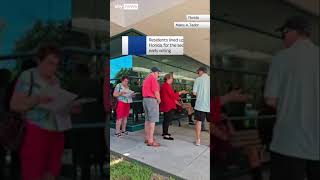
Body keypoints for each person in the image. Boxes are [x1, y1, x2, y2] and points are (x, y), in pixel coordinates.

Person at [10, 43, 81, 180]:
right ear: (39, 61)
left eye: (56, 64)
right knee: (33, 173)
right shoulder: (28, 76)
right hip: (36, 130)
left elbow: (56, 105)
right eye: (49, 63)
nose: (53, 68)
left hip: (57, 131)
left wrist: (69, 108)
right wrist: (37, 100)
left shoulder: (56, 80)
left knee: (51, 173)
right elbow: (14, 105)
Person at [264, 16, 319, 180]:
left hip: (288, 143)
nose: (283, 39)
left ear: (291, 32)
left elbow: (270, 100)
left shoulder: (281, 58)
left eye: (283, 34)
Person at [160, 73, 188, 140]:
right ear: (168, 78)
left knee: (166, 120)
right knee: (167, 120)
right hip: (168, 106)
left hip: (167, 105)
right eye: (172, 78)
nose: (173, 79)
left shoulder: (165, 85)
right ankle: (165, 134)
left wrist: (179, 104)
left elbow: (171, 97)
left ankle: (165, 132)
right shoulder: (166, 86)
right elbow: (173, 96)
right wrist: (180, 92)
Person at [142, 67, 161, 147]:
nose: (158, 74)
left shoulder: (146, 79)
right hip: (152, 100)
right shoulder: (153, 79)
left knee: (147, 120)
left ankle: (147, 138)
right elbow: (156, 91)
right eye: (158, 73)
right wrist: (159, 99)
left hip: (145, 100)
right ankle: (151, 141)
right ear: (154, 72)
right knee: (152, 121)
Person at [193, 67, 210, 146]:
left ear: (201, 71)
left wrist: (200, 94)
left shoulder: (198, 79)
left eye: (198, 72)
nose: (197, 73)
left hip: (200, 105)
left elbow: (194, 93)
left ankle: (198, 140)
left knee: (198, 122)